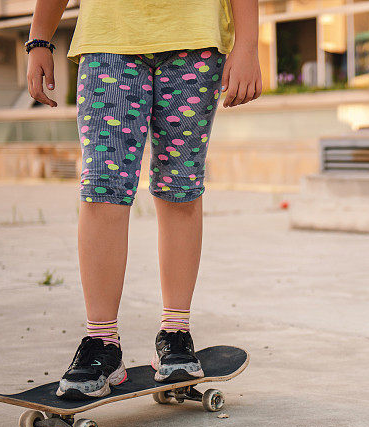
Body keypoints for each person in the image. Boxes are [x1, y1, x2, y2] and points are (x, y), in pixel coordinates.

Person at [25, 0, 261, 398]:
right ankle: (102, 342)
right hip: (109, 40)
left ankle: (176, 332)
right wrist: (39, 39)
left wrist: (248, 44)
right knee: (103, 186)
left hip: (195, 41)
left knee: (180, 188)